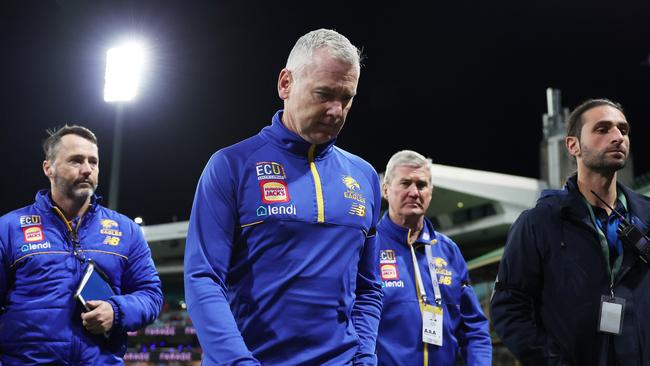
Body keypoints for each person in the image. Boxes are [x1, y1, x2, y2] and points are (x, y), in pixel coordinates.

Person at [184, 28, 383, 365]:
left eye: (346, 98)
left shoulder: (363, 176)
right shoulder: (231, 166)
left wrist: (363, 356)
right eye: (324, 94)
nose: (337, 111)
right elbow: (203, 278)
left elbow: (368, 288)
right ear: (285, 84)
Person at [491, 98, 650, 365]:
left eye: (623, 130)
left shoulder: (646, 215)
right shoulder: (538, 222)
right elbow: (508, 306)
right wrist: (551, 361)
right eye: (602, 129)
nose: (617, 137)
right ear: (572, 145)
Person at [0, 125, 163, 365]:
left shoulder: (127, 230)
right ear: (49, 168)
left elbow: (151, 295)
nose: (87, 169)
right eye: (76, 161)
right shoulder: (9, 228)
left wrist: (116, 311)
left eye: (93, 162)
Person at [376, 150, 492, 366]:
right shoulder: (366, 246)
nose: (414, 192)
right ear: (385, 189)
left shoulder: (448, 251)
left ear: (430, 192)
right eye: (405, 183)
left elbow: (474, 327)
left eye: (421, 185)